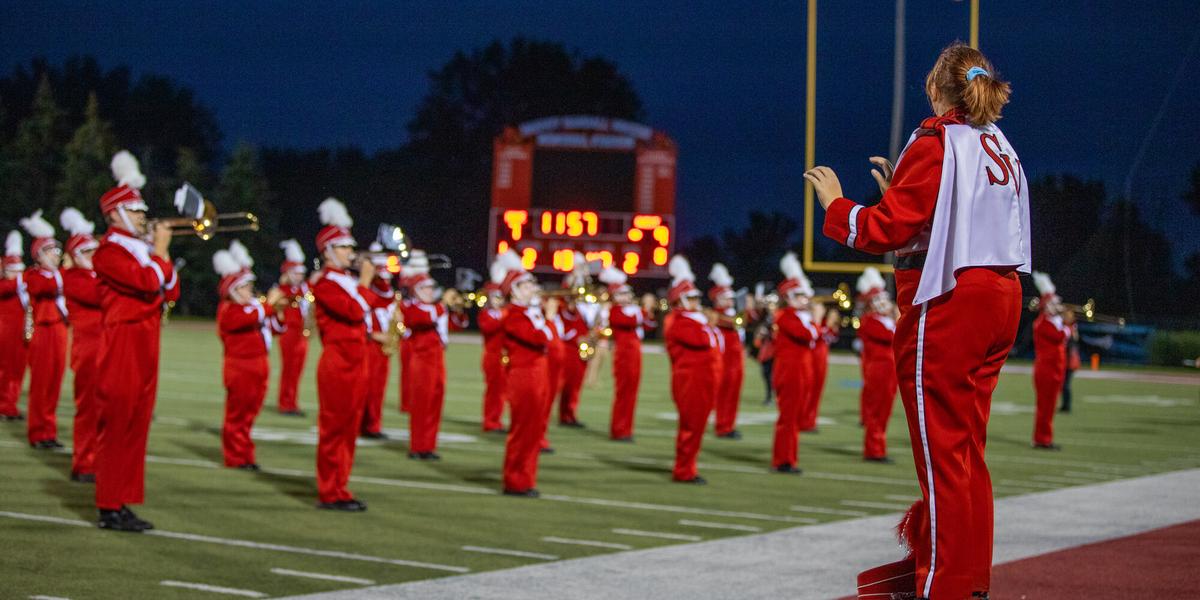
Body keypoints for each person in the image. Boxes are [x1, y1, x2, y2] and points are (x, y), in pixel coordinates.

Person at [807, 43, 1028, 600]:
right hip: (1002, 293)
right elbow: (947, 218)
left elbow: (883, 231)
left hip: (955, 300)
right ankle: (970, 579)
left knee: (942, 454)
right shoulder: (997, 141)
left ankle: (944, 587)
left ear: (935, 88)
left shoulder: (937, 139)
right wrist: (900, 198)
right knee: (967, 450)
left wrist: (836, 204)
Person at [93, 150, 181, 532]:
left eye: (143, 210)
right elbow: (147, 282)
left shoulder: (140, 249)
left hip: (147, 339)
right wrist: (159, 252)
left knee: (137, 424)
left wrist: (161, 254)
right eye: (134, 209)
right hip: (123, 341)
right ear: (115, 214)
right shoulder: (108, 252)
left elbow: (171, 291)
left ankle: (123, 499)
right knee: (118, 422)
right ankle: (108, 505)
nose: (143, 216)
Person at [311, 197, 373, 511]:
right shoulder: (325, 283)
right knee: (334, 428)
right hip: (338, 363)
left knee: (349, 429)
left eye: (350, 246)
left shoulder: (347, 280)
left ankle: (340, 486)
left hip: (357, 361)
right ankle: (330, 490)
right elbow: (353, 311)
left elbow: (369, 308)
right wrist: (366, 281)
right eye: (344, 247)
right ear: (328, 251)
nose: (351, 252)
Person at [213, 241, 284, 470]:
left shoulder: (251, 308)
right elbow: (247, 319)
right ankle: (235, 457)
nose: (249, 291)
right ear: (233, 290)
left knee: (250, 414)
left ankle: (245, 454)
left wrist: (278, 313)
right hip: (240, 367)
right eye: (244, 287)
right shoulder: (229, 310)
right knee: (238, 415)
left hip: (258, 365)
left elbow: (272, 328)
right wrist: (269, 304)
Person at [496, 250, 552, 497]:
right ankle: (515, 480)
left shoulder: (530, 312)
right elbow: (540, 338)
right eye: (527, 285)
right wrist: (549, 317)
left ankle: (527, 478)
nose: (533, 288)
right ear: (515, 291)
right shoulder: (513, 315)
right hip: (524, 377)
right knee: (522, 430)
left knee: (534, 430)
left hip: (538, 374)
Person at [664, 256, 721, 484]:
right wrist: (709, 323)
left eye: (697, 297)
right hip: (690, 381)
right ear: (679, 300)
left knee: (698, 425)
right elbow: (702, 340)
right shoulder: (679, 321)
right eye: (691, 298)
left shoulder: (695, 319)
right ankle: (684, 470)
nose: (697, 301)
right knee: (691, 426)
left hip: (703, 379)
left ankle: (689, 466)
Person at [60, 208, 103, 481]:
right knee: (89, 410)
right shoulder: (74, 278)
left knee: (106, 412)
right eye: (87, 252)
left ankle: (99, 461)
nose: (93, 256)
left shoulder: (95, 276)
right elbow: (101, 295)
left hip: (106, 350)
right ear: (75, 256)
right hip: (88, 353)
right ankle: (84, 463)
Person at [20, 210, 69, 449]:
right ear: (39, 254)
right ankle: (37, 432)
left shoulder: (59, 275)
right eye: (51, 251)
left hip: (59, 331)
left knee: (54, 384)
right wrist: (61, 270)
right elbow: (46, 288)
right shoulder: (33, 275)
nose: (57, 256)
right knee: (40, 385)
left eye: (57, 252)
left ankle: (49, 431)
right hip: (42, 331)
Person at [771, 252, 816, 474]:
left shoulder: (799, 316)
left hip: (800, 372)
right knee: (788, 417)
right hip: (790, 373)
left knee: (795, 417)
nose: (804, 299)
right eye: (798, 295)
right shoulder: (786, 316)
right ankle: (783, 460)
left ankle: (790, 457)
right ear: (788, 297)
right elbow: (807, 335)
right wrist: (816, 320)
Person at [401, 261, 449, 460]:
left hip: (437, 362)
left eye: (430, 287)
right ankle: (417, 446)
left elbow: (457, 323)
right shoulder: (414, 308)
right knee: (421, 405)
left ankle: (429, 446)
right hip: (421, 363)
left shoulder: (435, 308)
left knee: (435, 404)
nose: (430, 291)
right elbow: (420, 319)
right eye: (425, 288)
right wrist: (443, 306)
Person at [856, 267, 899, 463]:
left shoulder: (887, 320)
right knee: (877, 411)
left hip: (889, 371)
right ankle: (873, 450)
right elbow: (894, 338)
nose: (884, 303)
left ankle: (879, 447)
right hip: (879, 370)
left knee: (884, 411)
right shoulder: (870, 321)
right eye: (878, 300)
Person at [598, 266, 642, 441]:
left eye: (627, 293)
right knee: (624, 393)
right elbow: (630, 321)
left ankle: (626, 429)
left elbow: (649, 324)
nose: (626, 297)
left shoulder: (632, 310)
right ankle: (619, 429)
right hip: (623, 356)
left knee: (631, 393)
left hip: (634, 355)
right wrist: (642, 311)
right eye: (621, 294)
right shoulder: (614, 311)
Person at [360, 243, 396, 440]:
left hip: (382, 347)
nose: (386, 281)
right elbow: (359, 315)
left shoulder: (387, 295)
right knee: (368, 387)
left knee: (378, 389)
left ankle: (373, 424)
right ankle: (367, 425)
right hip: (369, 345)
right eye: (382, 277)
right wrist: (373, 334)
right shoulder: (368, 292)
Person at [274, 239, 312, 417]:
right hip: (289, 333)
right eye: (295, 273)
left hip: (301, 333)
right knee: (289, 369)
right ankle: (285, 403)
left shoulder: (303, 289)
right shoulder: (284, 289)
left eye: (300, 273)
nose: (299, 276)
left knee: (297, 370)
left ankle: (293, 402)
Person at [708, 263, 745, 439]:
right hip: (724, 362)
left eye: (731, 298)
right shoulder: (716, 315)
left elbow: (741, 322)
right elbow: (732, 323)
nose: (730, 301)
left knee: (733, 394)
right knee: (724, 394)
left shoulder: (731, 314)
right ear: (718, 299)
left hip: (735, 362)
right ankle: (723, 426)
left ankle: (729, 424)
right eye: (727, 298)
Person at [1031, 272, 1067, 450]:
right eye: (1054, 303)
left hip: (1055, 369)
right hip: (1046, 370)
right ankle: (1042, 439)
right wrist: (1068, 325)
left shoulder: (1055, 321)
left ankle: (1045, 437)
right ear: (1046, 306)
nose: (1058, 306)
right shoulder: (1043, 323)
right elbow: (1059, 336)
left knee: (1050, 406)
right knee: (1045, 406)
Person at [557, 253, 593, 428]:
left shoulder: (584, 299)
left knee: (576, 383)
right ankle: (565, 414)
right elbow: (565, 318)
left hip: (580, 344)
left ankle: (570, 413)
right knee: (568, 383)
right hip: (569, 346)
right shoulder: (567, 292)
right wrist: (576, 337)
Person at [0, 231, 30, 421]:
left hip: (20, 334)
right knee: (5, 369)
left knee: (18, 370)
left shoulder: (20, 286)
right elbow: (10, 287)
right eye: (13, 270)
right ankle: (3, 405)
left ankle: (10, 404)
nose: (17, 275)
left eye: (19, 270)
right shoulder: (5, 285)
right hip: (6, 333)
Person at [478, 259, 508, 433]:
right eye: (495, 297)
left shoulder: (503, 312)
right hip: (492, 357)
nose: (499, 300)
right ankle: (490, 421)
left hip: (504, 356)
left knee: (502, 390)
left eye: (500, 297)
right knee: (494, 390)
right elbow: (489, 327)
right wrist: (506, 315)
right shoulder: (486, 314)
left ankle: (496, 419)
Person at [804, 300, 840, 431]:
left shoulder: (826, 325)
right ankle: (804, 420)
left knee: (816, 392)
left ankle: (810, 421)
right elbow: (815, 335)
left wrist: (830, 324)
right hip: (810, 359)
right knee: (807, 391)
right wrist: (818, 320)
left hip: (821, 361)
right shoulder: (811, 322)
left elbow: (831, 338)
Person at [1060, 309, 1080, 413]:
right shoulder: (1069, 328)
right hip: (1068, 361)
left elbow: (1070, 346)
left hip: (1070, 362)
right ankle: (1065, 405)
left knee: (1065, 385)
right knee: (1063, 385)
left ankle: (1066, 406)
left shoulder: (1070, 329)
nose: (1064, 318)